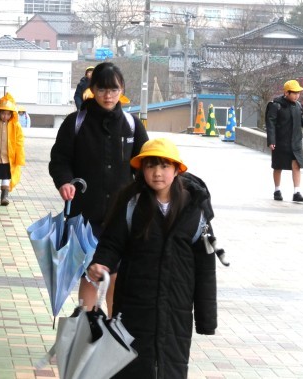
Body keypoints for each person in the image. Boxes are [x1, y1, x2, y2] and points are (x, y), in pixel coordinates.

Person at [87, 138, 218, 378]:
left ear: (177, 170)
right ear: (142, 170)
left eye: (164, 166)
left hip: (177, 306)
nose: (157, 173)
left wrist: (206, 318)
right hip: (134, 304)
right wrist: (101, 262)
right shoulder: (131, 204)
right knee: (131, 367)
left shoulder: (195, 210)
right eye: (150, 166)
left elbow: (206, 267)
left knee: (171, 367)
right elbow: (112, 242)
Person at [49, 62, 148, 314]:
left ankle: (114, 331)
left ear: (122, 89)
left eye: (113, 90)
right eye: (102, 89)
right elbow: (60, 160)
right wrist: (64, 182)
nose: (108, 95)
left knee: (117, 278)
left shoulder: (132, 125)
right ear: (92, 89)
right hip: (86, 216)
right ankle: (87, 328)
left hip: (122, 217)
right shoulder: (75, 122)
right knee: (91, 275)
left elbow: (146, 165)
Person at [266, 79, 303, 202]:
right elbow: (270, 124)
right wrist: (271, 140)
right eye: (294, 93)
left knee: (296, 166)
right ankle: (277, 190)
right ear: (286, 93)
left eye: (298, 93)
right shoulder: (276, 105)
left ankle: (297, 192)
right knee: (278, 166)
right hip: (280, 142)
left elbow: (302, 121)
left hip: (295, 142)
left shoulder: (298, 106)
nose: (297, 95)